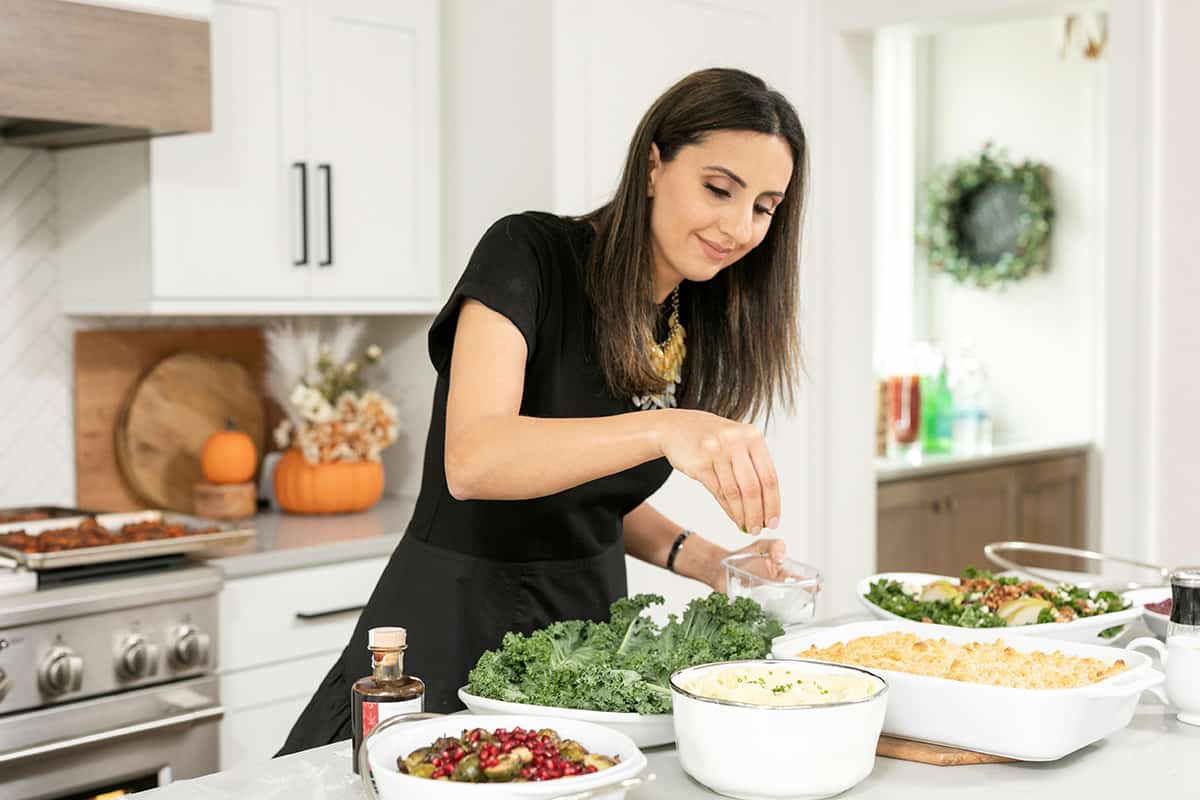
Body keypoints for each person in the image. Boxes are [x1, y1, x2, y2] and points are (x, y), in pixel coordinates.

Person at [277, 66, 807, 754]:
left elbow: (591, 495)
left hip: (587, 645)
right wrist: (667, 427)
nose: (739, 226)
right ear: (653, 165)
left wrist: (712, 563)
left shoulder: (691, 317)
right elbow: (475, 459)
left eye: (765, 207)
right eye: (718, 189)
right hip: (454, 624)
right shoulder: (527, 254)